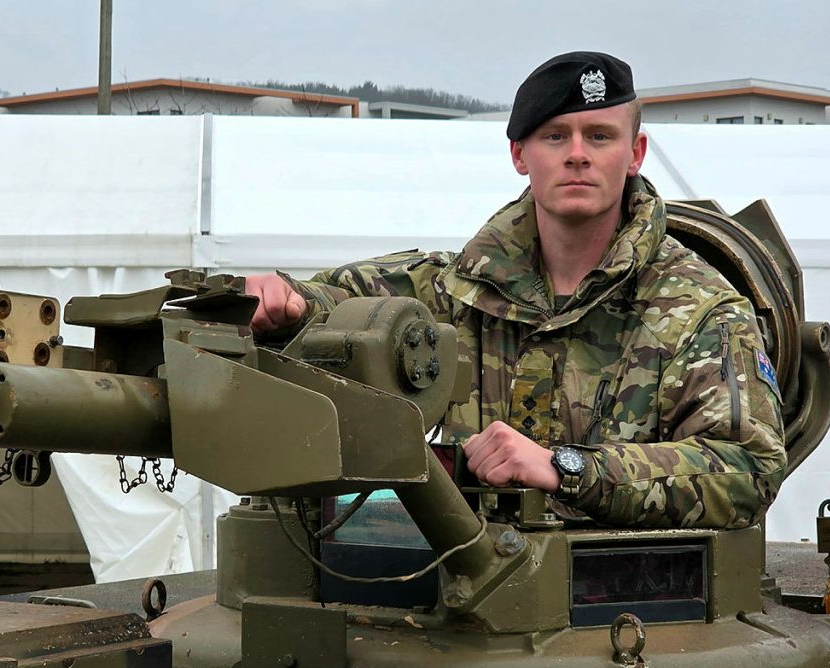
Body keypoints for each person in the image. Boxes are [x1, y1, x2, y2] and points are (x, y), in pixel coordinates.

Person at [246, 51, 786, 529]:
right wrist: (288, 302)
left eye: (600, 135)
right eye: (555, 136)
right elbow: (343, 301)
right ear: (520, 156)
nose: (578, 154)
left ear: (636, 152)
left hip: (630, 615)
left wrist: (567, 468)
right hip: (454, 607)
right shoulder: (457, 291)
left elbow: (747, 468)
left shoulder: (696, 310)